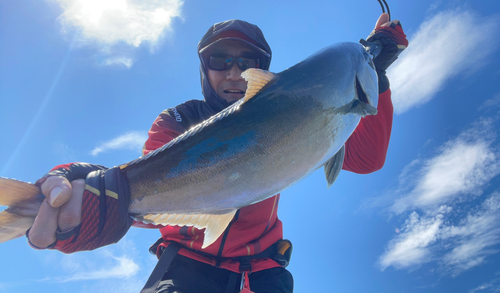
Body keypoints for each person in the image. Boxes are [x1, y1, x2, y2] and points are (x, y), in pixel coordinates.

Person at [26, 15, 408, 293]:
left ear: (264, 72)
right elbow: (143, 184)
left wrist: (378, 79)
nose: (234, 72)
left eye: (248, 62)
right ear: (203, 69)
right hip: (185, 268)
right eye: (220, 60)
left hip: (264, 272)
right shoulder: (181, 118)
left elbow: (365, 159)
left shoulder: (300, 112)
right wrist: (82, 183)